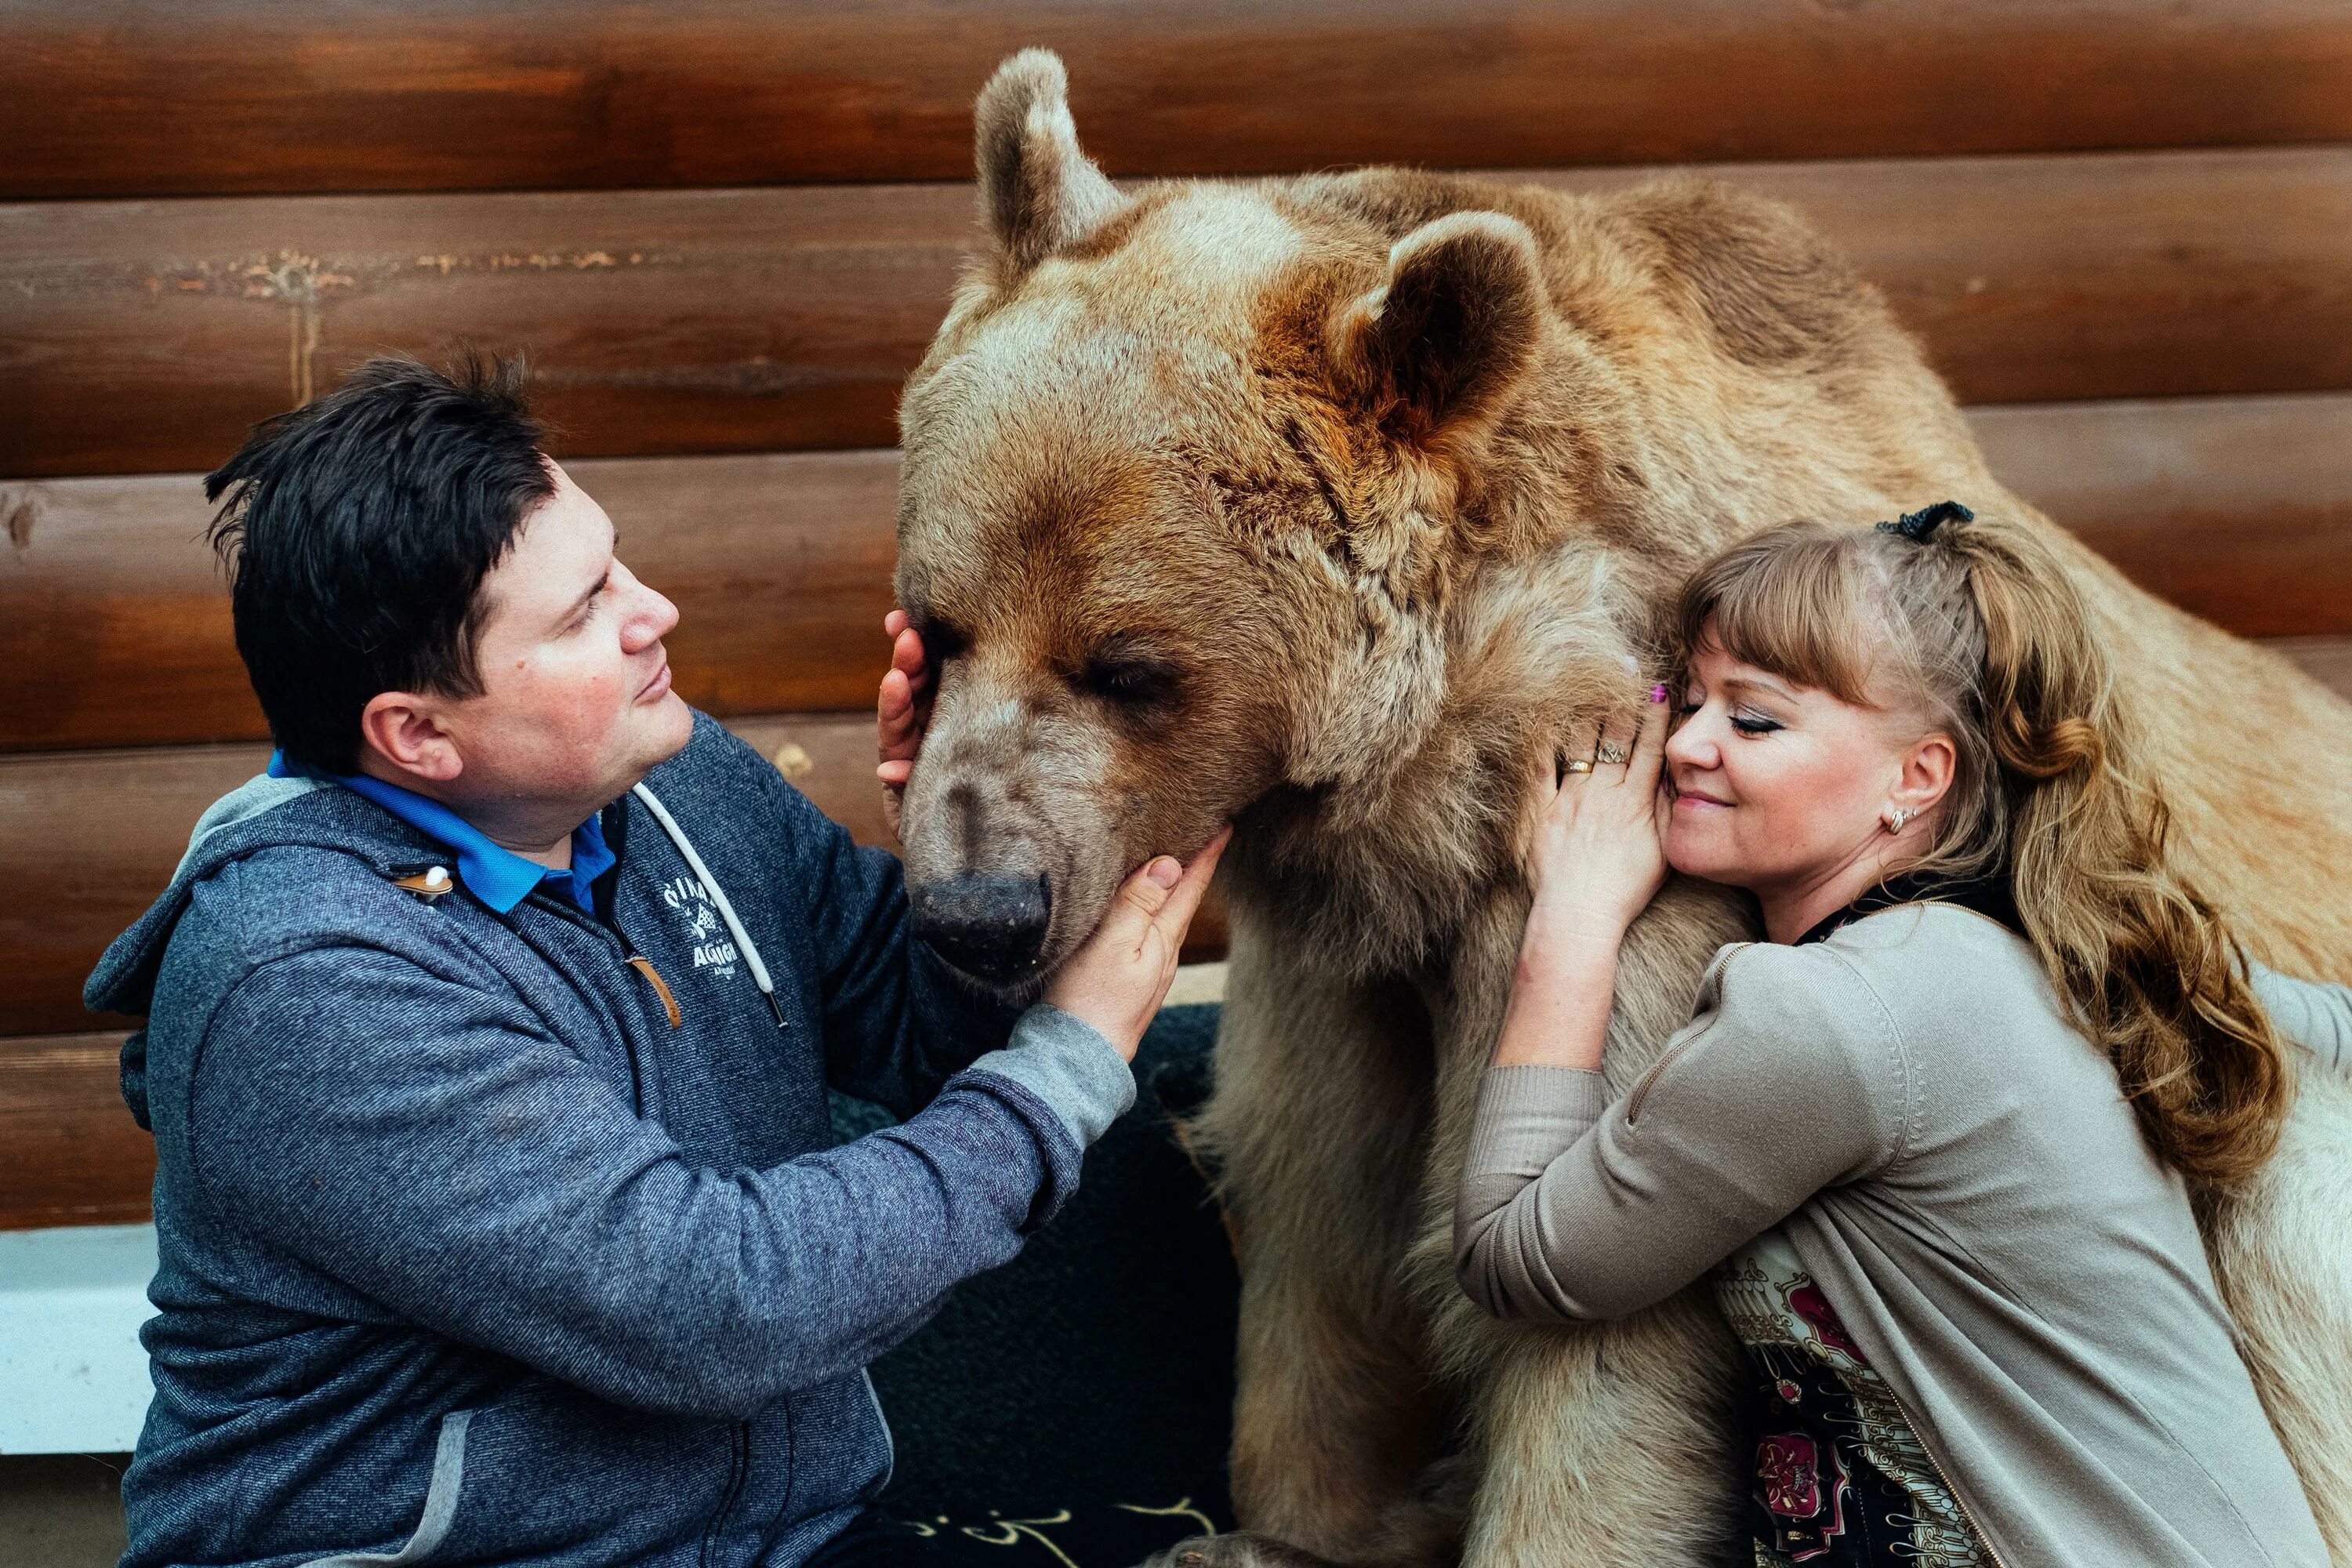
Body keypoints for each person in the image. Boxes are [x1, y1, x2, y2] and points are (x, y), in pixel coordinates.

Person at [85, 354, 1225, 1568]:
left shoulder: (677, 779)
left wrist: (956, 865)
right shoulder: (308, 986)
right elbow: (723, 1306)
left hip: (776, 1543)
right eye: (582, 613)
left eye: (615, 560)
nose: (654, 612)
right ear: (415, 734)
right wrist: (1069, 1065)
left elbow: (911, 1030)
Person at [1454, 503, 2351, 1566]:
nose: (1684, 746)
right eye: (1684, 700)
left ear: (1915, 779)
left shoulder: (1838, 1015)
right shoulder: (2034, 952)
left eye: (1754, 721)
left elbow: (1519, 1258)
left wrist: (1571, 919)